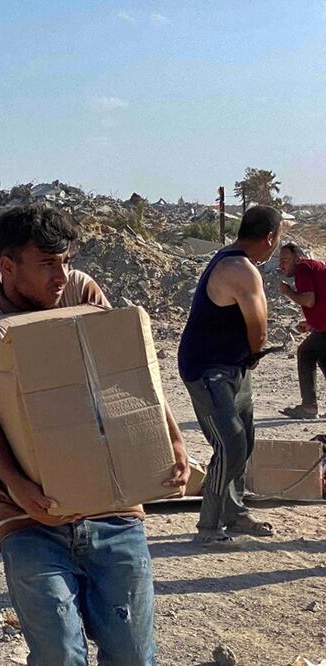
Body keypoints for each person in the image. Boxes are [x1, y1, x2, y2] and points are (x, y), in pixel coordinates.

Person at [0, 206, 189, 665]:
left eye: (65, 261)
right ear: (7, 265)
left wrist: (172, 439)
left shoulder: (81, 291)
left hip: (113, 508)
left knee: (133, 656)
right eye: (47, 264)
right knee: (59, 654)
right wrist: (19, 486)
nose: (61, 276)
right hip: (27, 517)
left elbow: (127, 371)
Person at [179, 204, 283, 547]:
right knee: (230, 444)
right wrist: (254, 353)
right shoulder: (240, 268)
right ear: (270, 237)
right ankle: (208, 526)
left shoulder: (234, 259)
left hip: (232, 365)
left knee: (245, 441)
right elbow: (258, 325)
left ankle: (235, 514)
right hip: (208, 369)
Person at [277, 243, 326, 419]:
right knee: (321, 356)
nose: (281, 265)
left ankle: (309, 407)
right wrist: (311, 323)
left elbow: (308, 300)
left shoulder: (302, 269)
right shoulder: (312, 266)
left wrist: (288, 291)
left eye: (285, 260)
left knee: (305, 353)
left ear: (297, 259)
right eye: (280, 261)